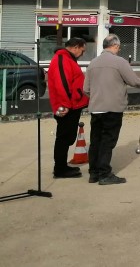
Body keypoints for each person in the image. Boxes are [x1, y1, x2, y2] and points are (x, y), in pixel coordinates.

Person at [83, 34, 140, 185]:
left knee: (96, 141)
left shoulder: (92, 63)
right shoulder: (120, 62)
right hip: (113, 108)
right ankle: (105, 174)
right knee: (108, 141)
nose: (119, 50)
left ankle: (93, 173)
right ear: (115, 46)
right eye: (118, 47)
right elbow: (133, 81)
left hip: (96, 108)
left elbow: (85, 89)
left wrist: (96, 97)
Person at [47, 38, 89, 179]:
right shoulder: (62, 59)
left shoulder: (66, 59)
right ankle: (59, 169)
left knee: (67, 137)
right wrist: (65, 105)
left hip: (71, 104)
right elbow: (62, 84)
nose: (82, 54)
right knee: (64, 138)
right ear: (76, 47)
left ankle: (61, 166)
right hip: (67, 106)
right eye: (82, 50)